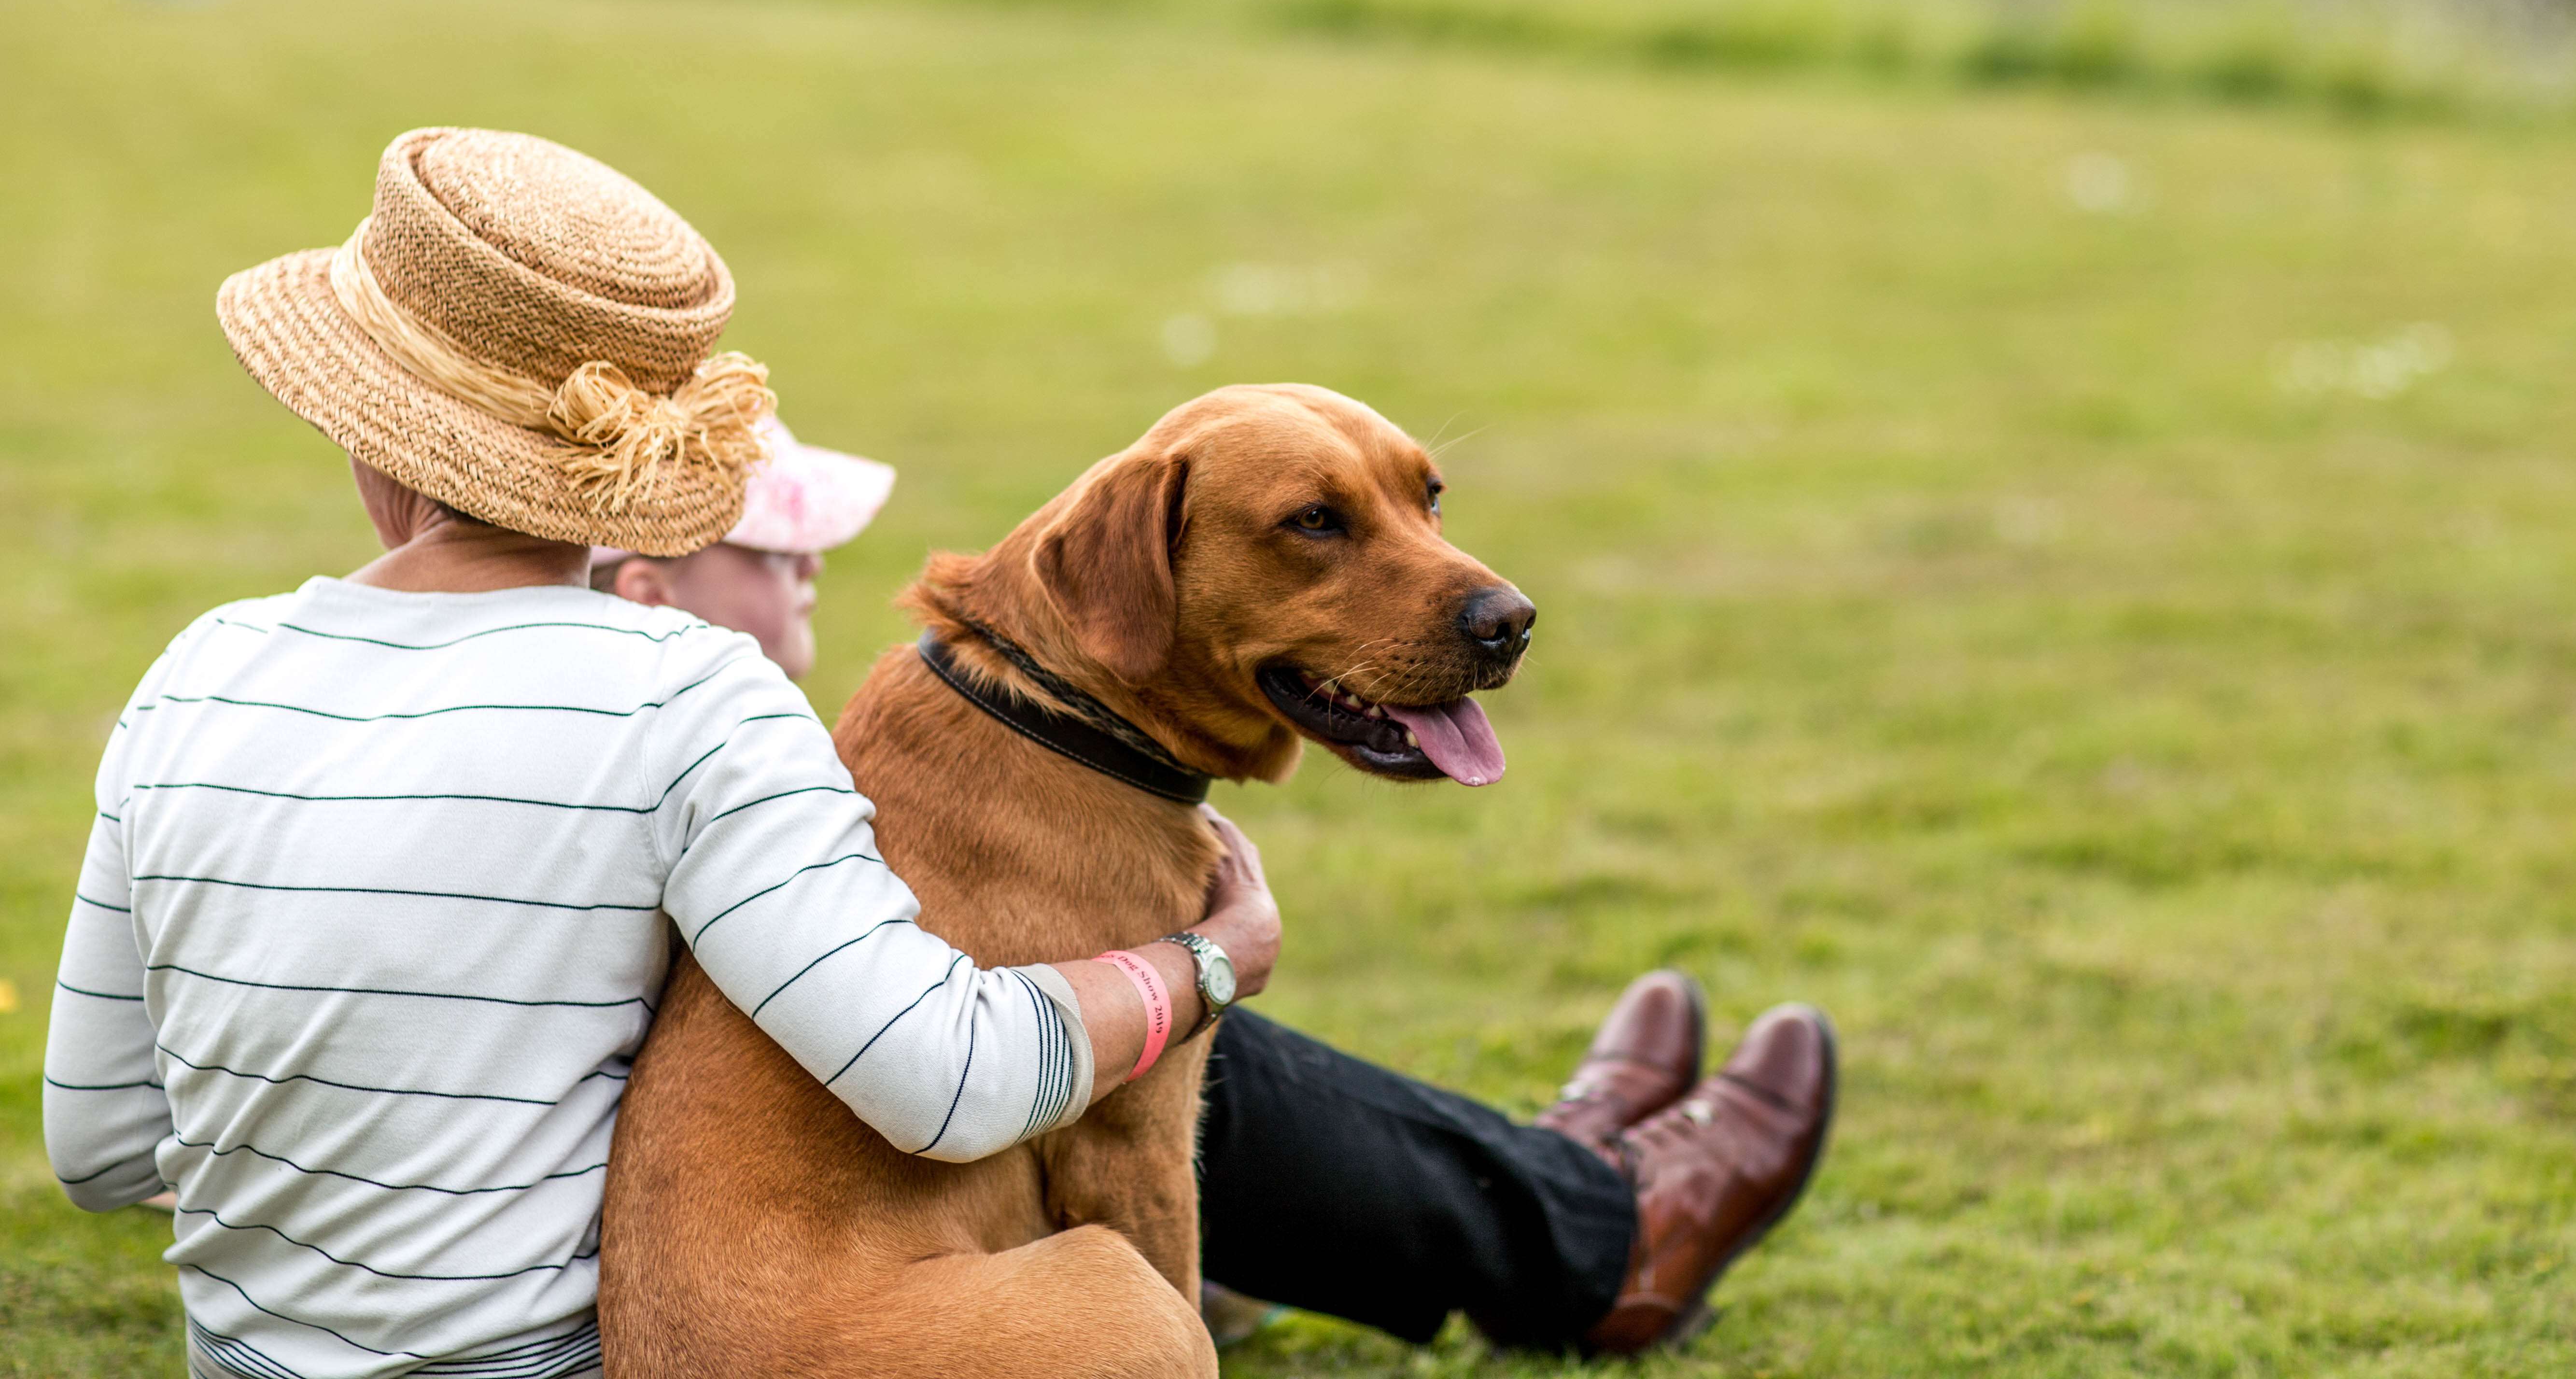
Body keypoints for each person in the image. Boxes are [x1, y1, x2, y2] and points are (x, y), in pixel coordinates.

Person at [42, 127, 1280, 1379]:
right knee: (1112, 1307)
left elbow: (99, 1146)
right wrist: (1205, 963)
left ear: (368, 428)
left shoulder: (195, 670)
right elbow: (944, 1082)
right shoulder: (689, 698)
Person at [599, 420, 1839, 1356]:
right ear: (1120, 579)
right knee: (1145, 1075)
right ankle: (1593, 1221)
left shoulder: (951, 738)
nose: (1483, 596)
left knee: (1156, 1037)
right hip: (843, 1332)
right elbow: (1114, 1176)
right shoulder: (889, 781)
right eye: (1319, 526)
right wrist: (1203, 965)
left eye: (1424, 499)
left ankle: (1551, 1188)